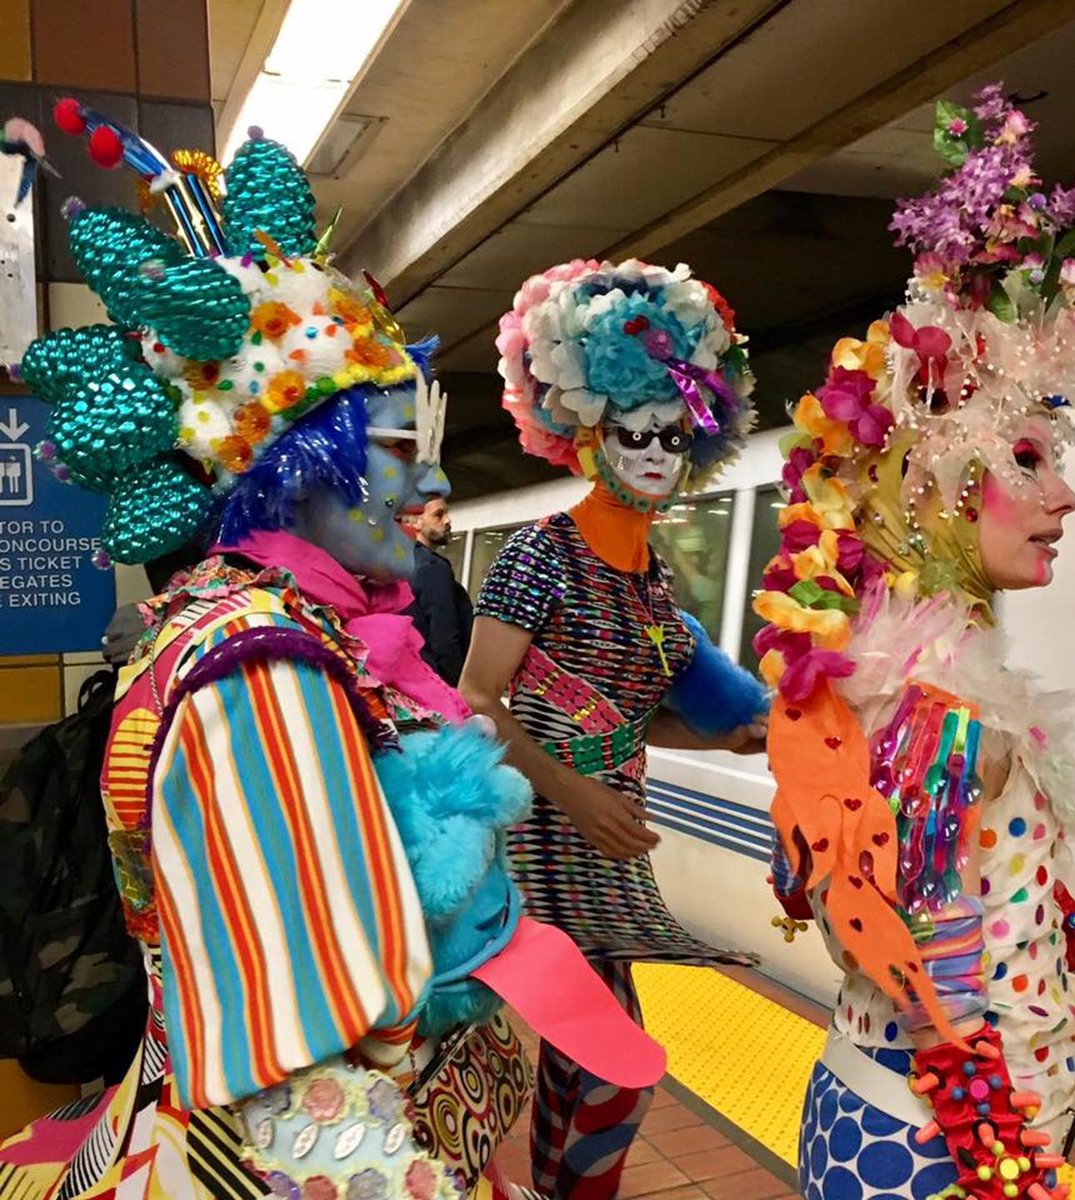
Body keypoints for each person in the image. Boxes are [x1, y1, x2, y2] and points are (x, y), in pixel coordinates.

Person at [0, 103, 664, 1200]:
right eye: (406, 450)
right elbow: (311, 1109)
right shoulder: (260, 669)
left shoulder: (240, 622)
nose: (436, 485)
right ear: (303, 465)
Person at [754, 84, 1075, 1200]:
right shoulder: (948, 728)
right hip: (938, 1150)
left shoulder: (884, 687)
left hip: (871, 1120)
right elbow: (967, 985)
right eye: (1031, 461)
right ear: (939, 484)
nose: (1067, 497)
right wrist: (1030, 1149)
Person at [459, 258, 769, 1200]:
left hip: (606, 849)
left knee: (584, 1067)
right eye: (634, 435)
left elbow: (635, 719)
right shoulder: (538, 552)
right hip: (539, 843)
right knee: (598, 1068)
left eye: (675, 439)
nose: (655, 456)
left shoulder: (654, 578)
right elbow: (475, 698)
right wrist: (577, 793)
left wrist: (730, 739)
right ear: (587, 432)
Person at [406, 497, 474, 685]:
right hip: (437, 682)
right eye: (438, 515)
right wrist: (460, 690)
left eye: (447, 512)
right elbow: (444, 639)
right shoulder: (433, 567)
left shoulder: (403, 562)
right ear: (416, 522)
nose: (448, 520)